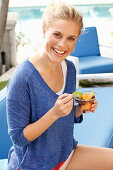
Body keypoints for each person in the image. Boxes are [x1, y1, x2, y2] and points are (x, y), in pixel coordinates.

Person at [6, 1, 113, 170]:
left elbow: (66, 115)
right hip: (33, 165)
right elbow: (19, 138)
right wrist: (54, 113)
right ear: (44, 31)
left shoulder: (69, 68)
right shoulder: (22, 78)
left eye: (71, 38)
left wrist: (80, 109)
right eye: (57, 34)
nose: (63, 44)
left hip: (65, 155)